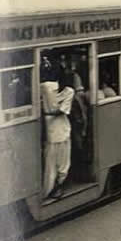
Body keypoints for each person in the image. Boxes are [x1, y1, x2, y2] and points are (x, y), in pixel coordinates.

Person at [41, 61, 75, 200]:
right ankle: (58, 186)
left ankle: (47, 189)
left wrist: (45, 113)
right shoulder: (69, 91)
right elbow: (62, 111)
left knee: (49, 160)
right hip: (62, 129)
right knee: (63, 161)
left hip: (49, 129)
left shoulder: (44, 87)